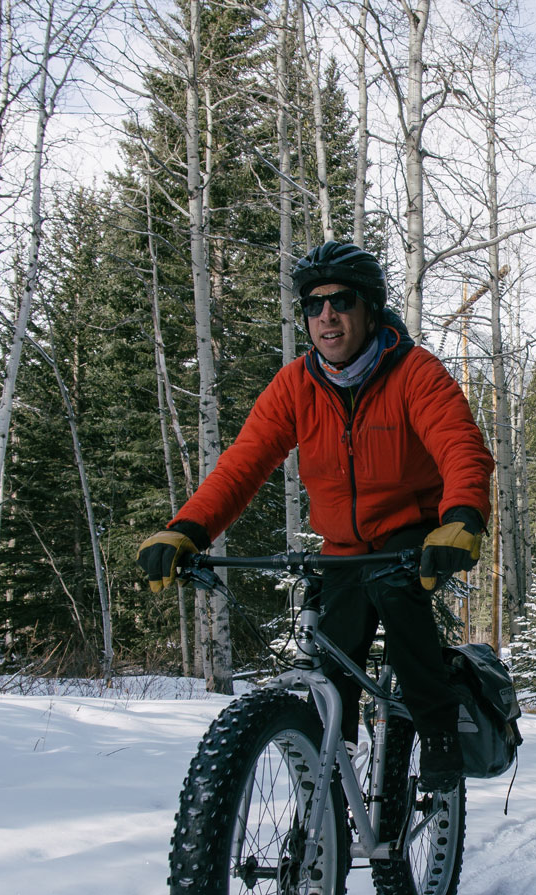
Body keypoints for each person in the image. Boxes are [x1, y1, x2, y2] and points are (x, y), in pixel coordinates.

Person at [137, 241, 494, 792]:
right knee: (334, 649)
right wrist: (188, 527)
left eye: (341, 301)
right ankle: (331, 768)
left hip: (410, 531)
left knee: (400, 605)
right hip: (341, 546)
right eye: (313, 304)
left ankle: (439, 731)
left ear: (369, 309)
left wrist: (463, 515)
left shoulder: (413, 371)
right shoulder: (296, 384)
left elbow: (459, 446)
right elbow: (243, 464)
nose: (326, 315)